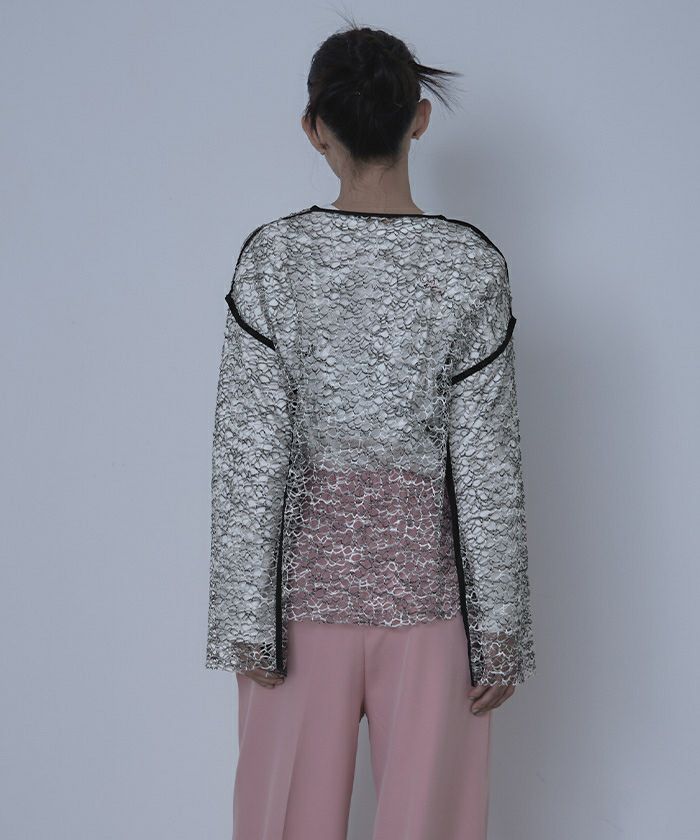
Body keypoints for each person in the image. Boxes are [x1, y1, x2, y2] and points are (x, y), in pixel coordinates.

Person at [205, 20, 536, 840]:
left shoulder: (273, 259)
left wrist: (244, 619)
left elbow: (250, 452)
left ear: (315, 128)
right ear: (419, 118)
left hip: (295, 605)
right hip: (432, 604)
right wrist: (500, 631)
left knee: (281, 825)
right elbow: (486, 462)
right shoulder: (470, 265)